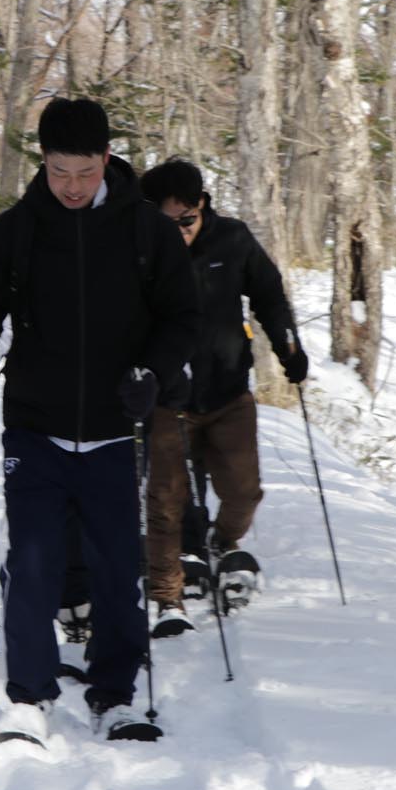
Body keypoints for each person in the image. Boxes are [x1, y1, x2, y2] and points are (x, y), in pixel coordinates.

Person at [0, 97, 199, 744]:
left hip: (117, 429)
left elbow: (183, 317)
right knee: (34, 563)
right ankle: (29, 696)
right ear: (43, 162)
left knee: (116, 568)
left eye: (85, 172)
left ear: (107, 159)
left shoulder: (145, 231)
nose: (72, 185)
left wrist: (153, 373)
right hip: (35, 427)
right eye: (60, 171)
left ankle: (115, 695)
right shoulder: (15, 231)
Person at [138, 159, 307, 633]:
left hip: (228, 392)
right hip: (168, 399)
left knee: (243, 493)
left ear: (202, 206)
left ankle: (222, 541)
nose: (181, 231)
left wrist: (288, 347)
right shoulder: (142, 250)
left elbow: (269, 294)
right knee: (166, 501)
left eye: (187, 219)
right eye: (169, 222)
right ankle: (168, 592)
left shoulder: (232, 239)